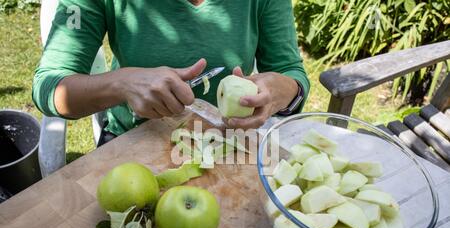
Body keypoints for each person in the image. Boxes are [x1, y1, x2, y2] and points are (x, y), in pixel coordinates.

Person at [32, 0, 310, 145]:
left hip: (226, 143)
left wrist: (285, 91)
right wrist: (121, 84)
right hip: (134, 139)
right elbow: (48, 86)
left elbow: (291, 73)